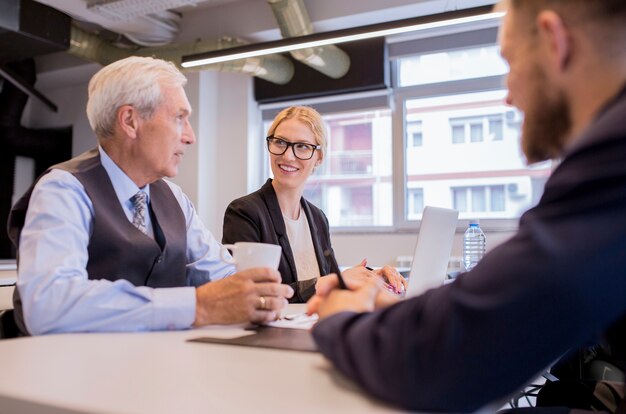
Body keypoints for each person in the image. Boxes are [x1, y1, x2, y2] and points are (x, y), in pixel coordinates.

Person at [307, 1, 626, 412]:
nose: (509, 96)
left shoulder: (612, 158)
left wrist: (341, 318)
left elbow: (445, 362)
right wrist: (401, 309)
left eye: (510, 63)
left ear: (554, 41)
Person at [7, 56, 292, 335]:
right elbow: (48, 305)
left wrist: (257, 293)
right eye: (180, 118)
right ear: (130, 121)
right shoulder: (64, 190)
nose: (191, 137)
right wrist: (197, 306)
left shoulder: (174, 198)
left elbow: (220, 273)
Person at [222, 106, 407, 302]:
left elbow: (325, 282)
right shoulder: (244, 212)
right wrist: (333, 281)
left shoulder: (318, 218)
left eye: (302, 146)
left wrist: (369, 278)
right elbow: (249, 294)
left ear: (319, 157)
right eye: (280, 142)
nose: (287, 156)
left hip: (315, 323)